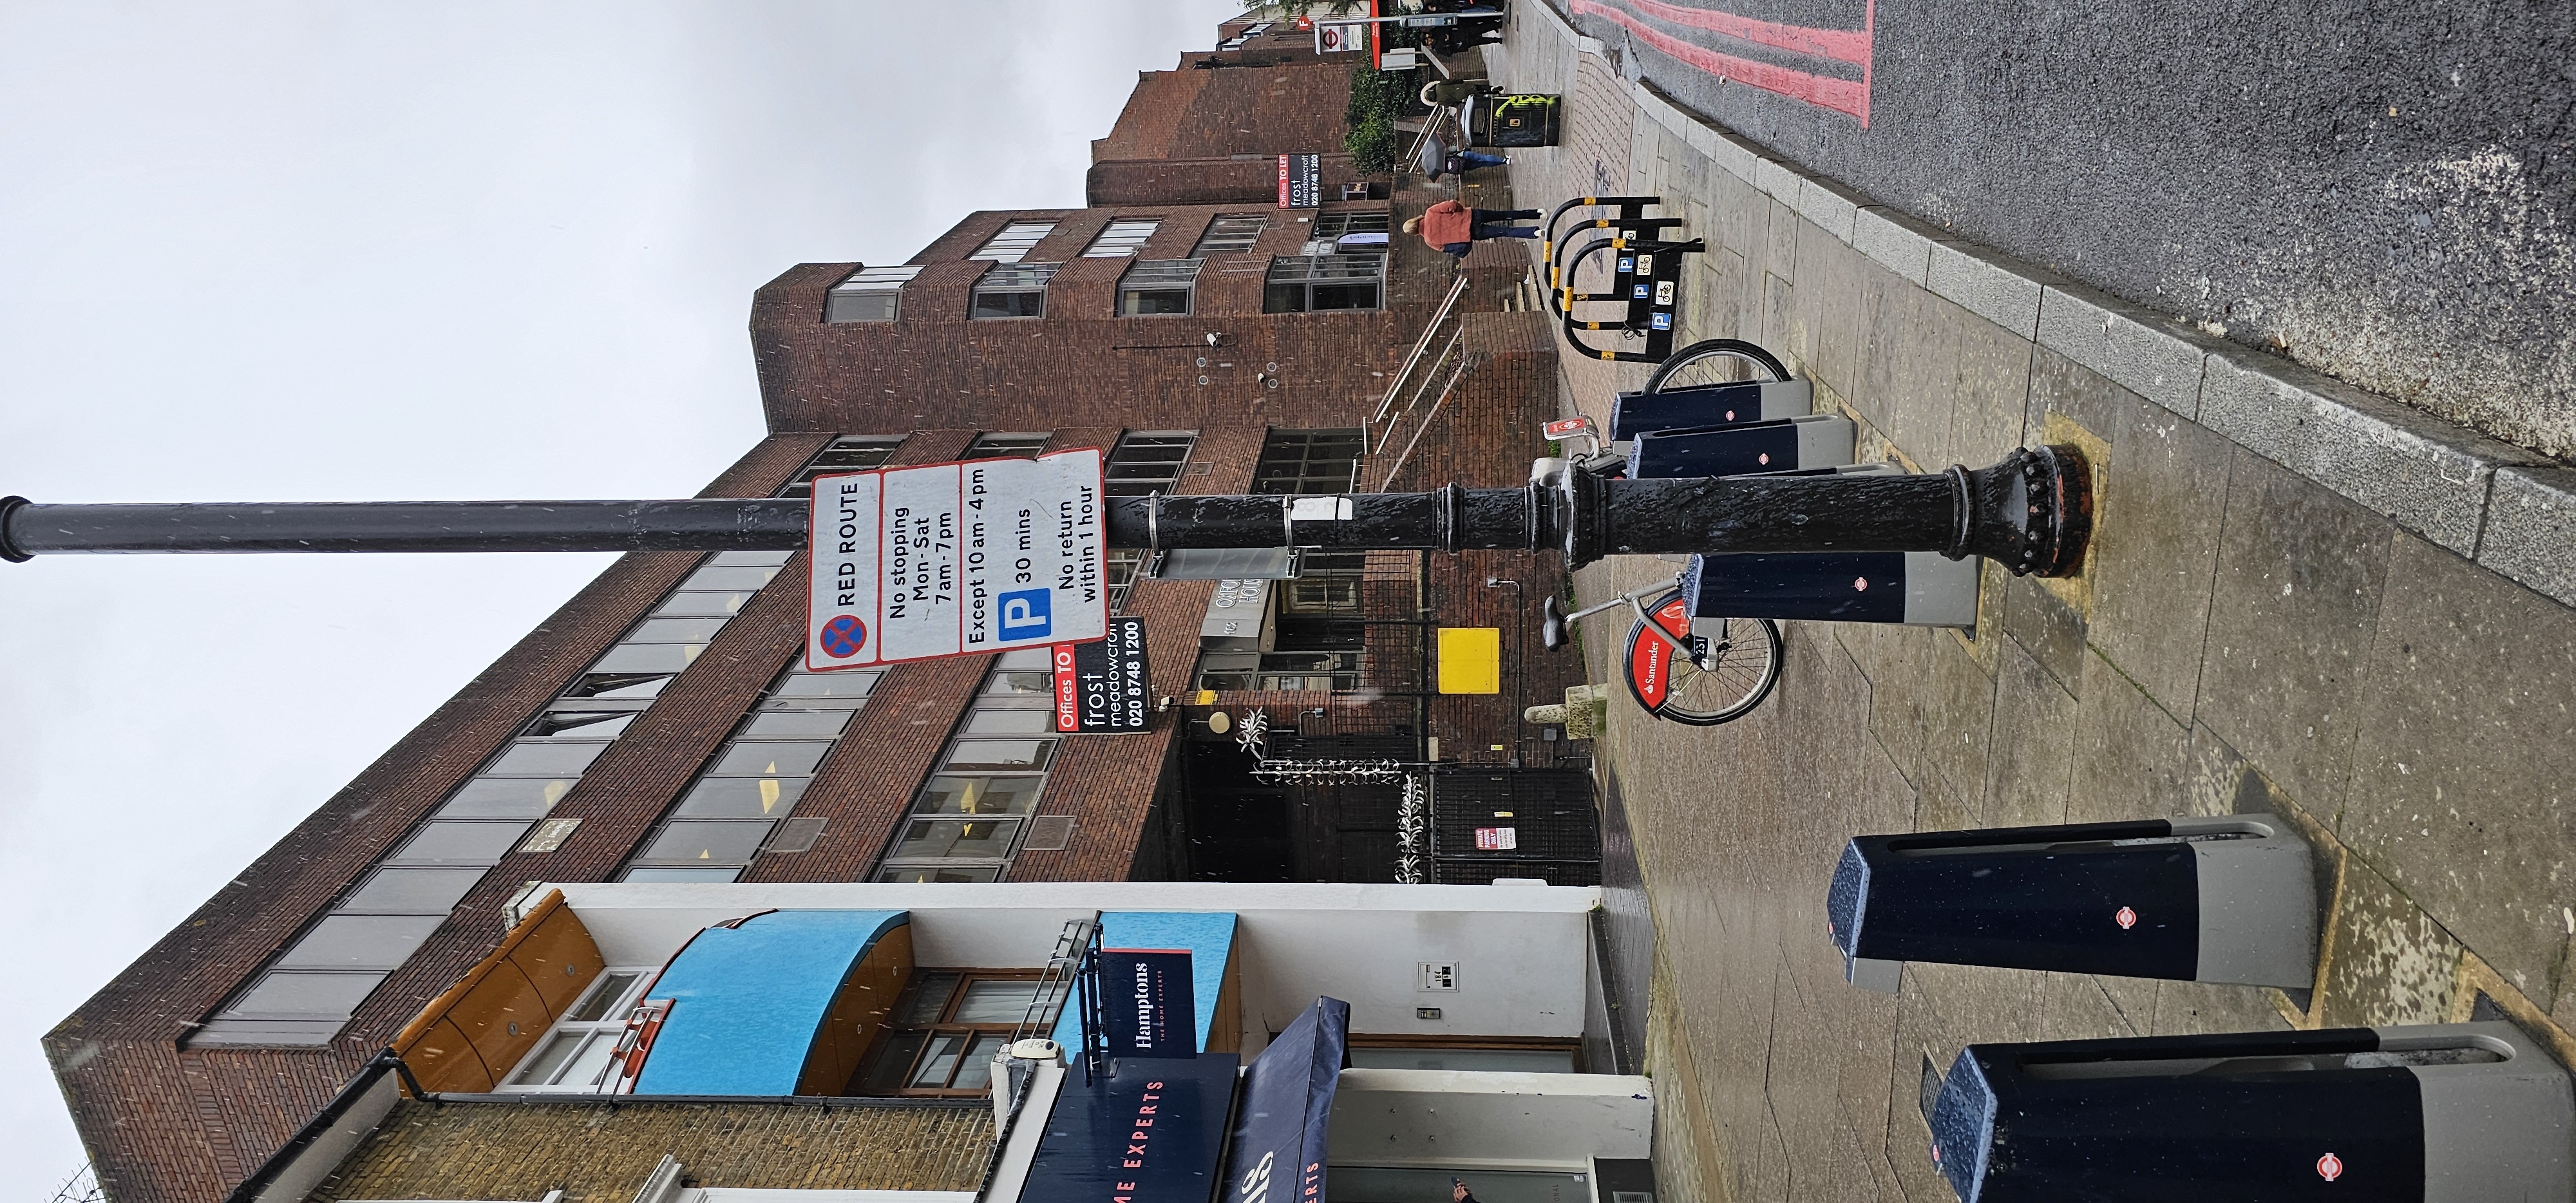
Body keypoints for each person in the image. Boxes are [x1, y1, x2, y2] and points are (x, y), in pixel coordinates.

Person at [1405, 200, 1542, 256]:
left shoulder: (1430, 241)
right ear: (1414, 220)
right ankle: (1537, 213)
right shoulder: (1430, 213)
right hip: (1472, 216)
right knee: (1503, 214)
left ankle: (1535, 232)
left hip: (1473, 234)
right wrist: (1461, 210)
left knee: (1505, 232)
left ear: (1414, 233)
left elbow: (1448, 249)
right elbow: (1452, 205)